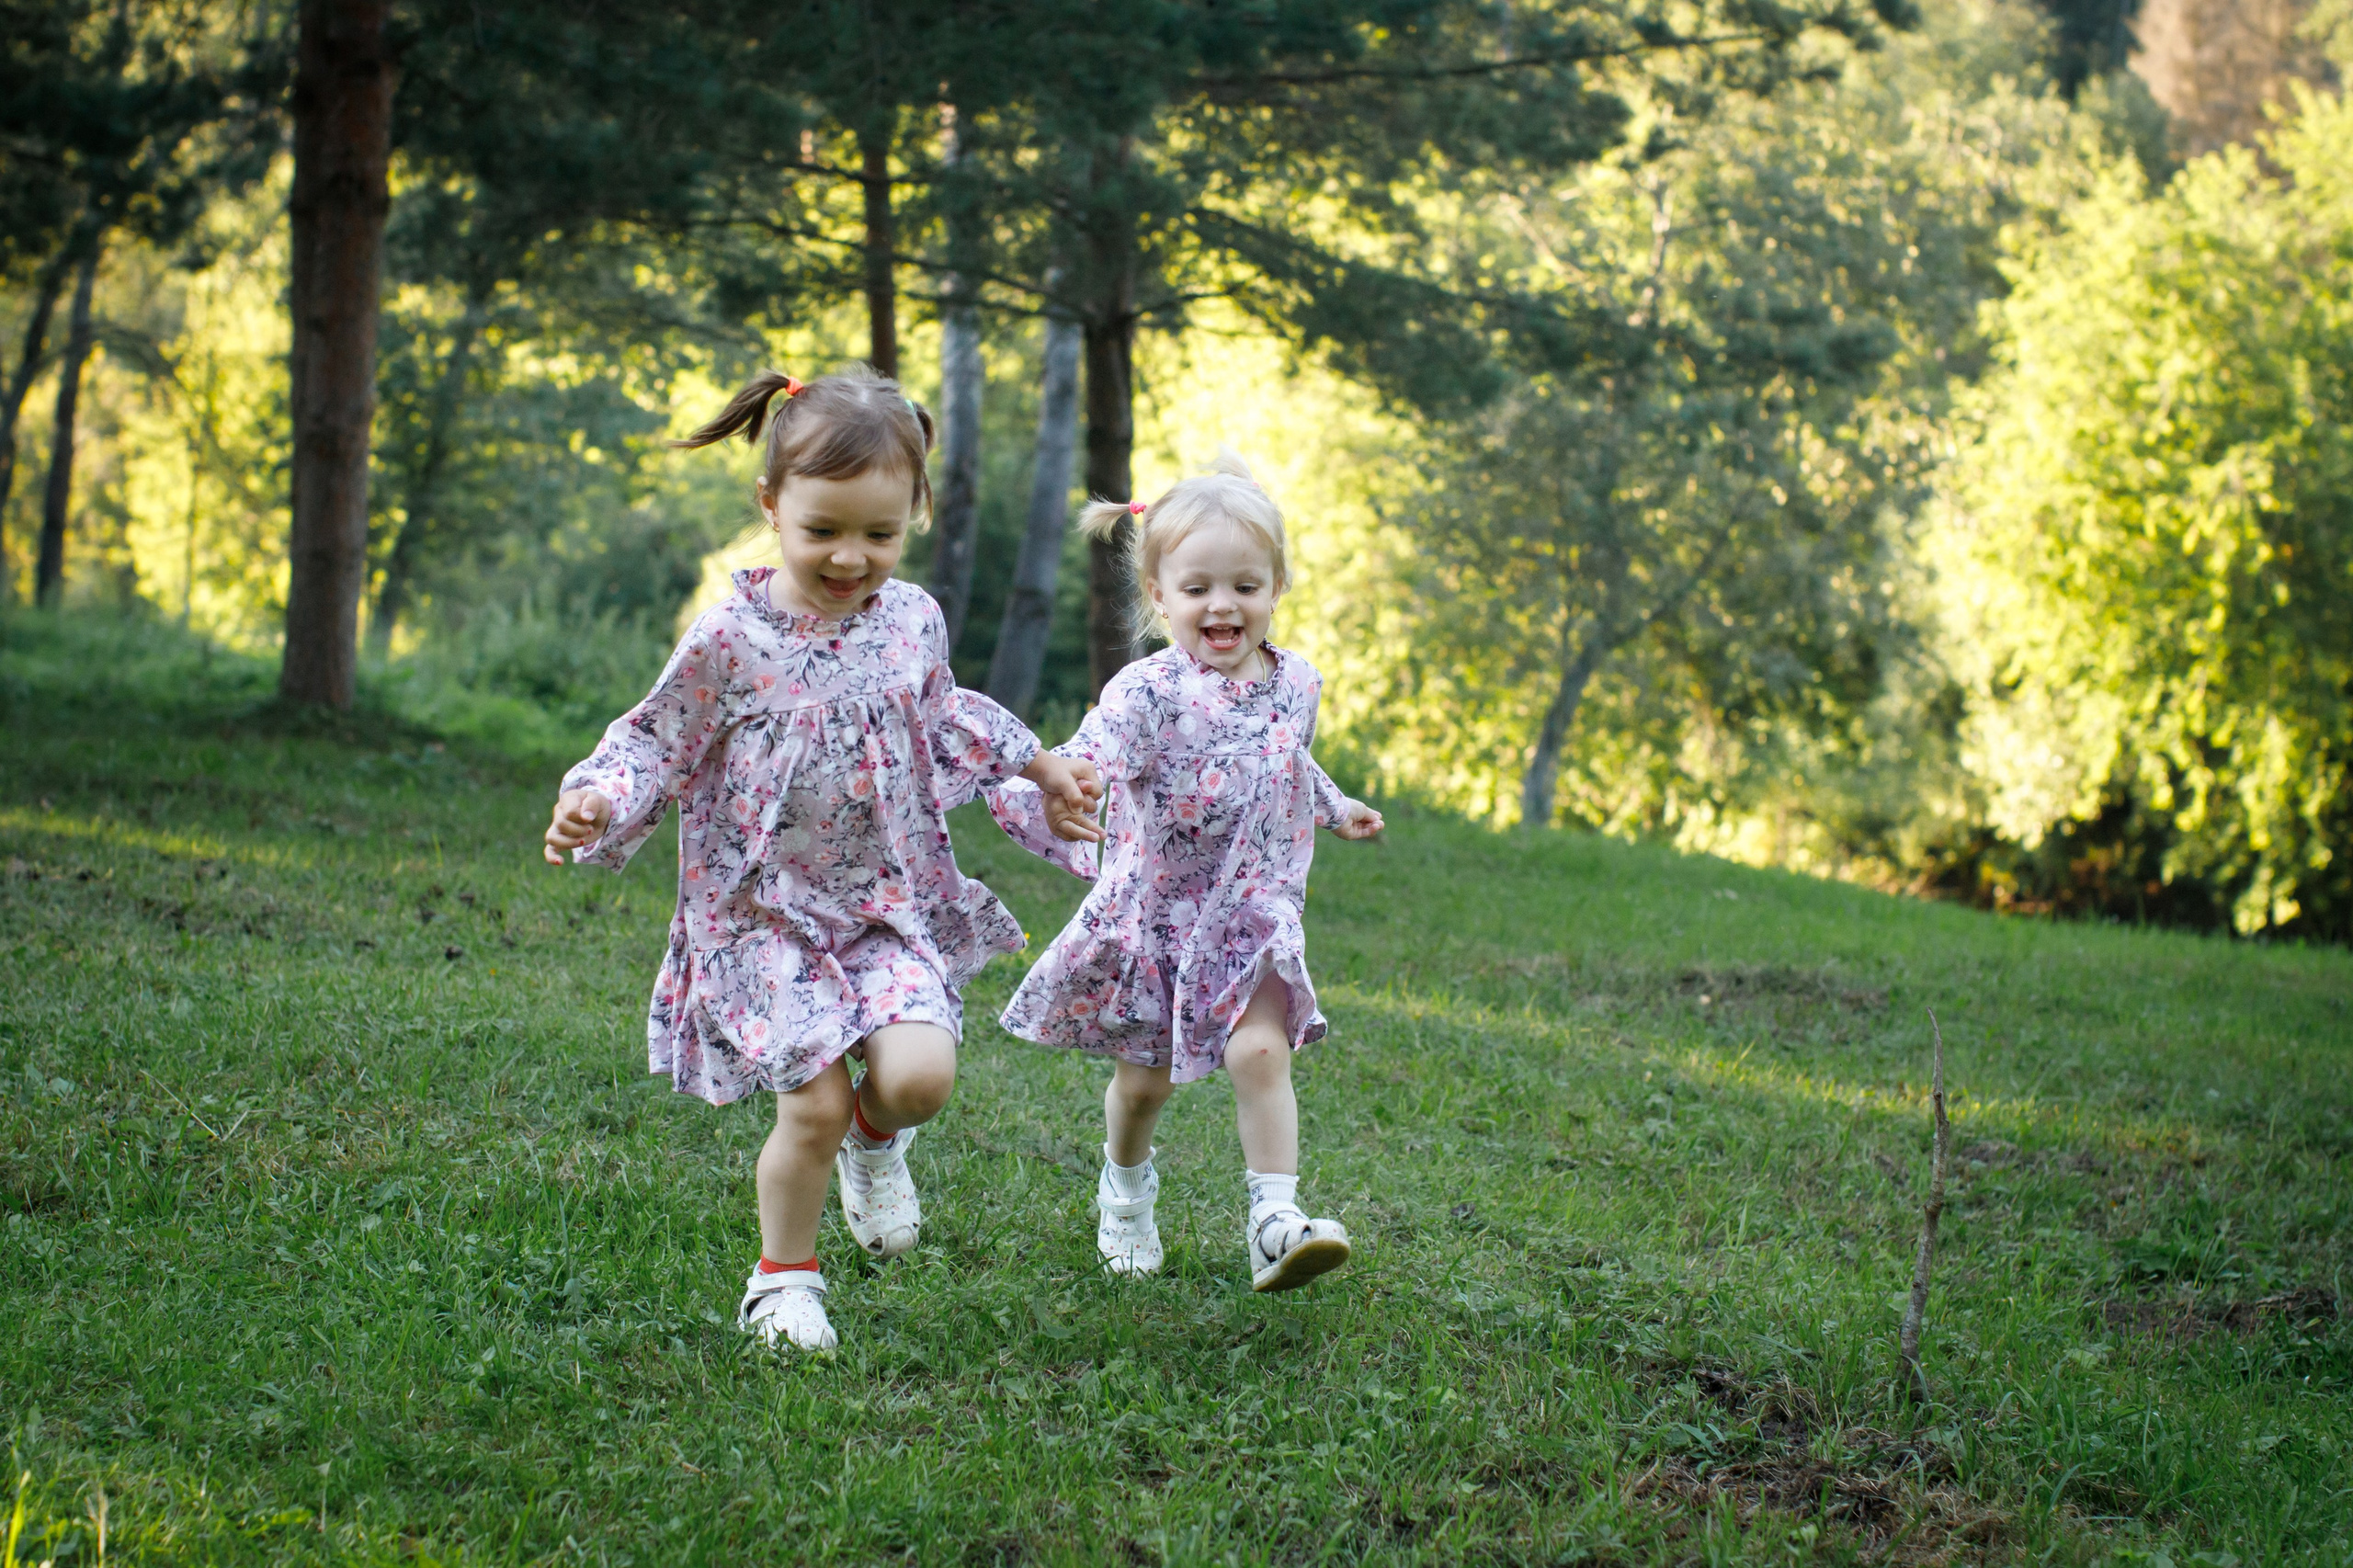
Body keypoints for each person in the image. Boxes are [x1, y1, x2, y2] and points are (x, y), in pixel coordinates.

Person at [541, 366, 1099, 1353]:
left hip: (881, 901)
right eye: (824, 529)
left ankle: (876, 1145)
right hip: (759, 913)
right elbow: (654, 737)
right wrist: (595, 797)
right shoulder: (730, 637)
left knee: (920, 1076)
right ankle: (782, 1281)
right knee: (814, 1099)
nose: (851, 557)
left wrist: (1038, 761)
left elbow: (942, 715)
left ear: (915, 513)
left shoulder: (911, 620)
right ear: (771, 505)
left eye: (879, 534)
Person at [986, 452, 1384, 1292]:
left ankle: (1274, 1219)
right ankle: (1125, 1188)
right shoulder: (1148, 692)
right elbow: (1094, 754)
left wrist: (1336, 803)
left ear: (1278, 586)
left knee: (1262, 1051)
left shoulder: (1297, 681)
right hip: (1158, 917)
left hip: (1253, 913)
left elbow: (1285, 758)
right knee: (1145, 1087)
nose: (1222, 605)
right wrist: (1063, 782)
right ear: (1159, 595)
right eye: (1197, 588)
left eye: (1244, 585)